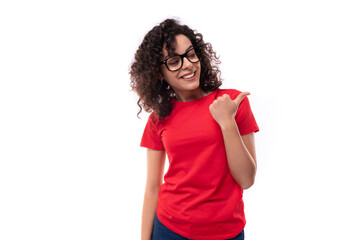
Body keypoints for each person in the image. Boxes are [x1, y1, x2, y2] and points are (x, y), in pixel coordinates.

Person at [130, 18, 259, 240]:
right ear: (159, 73)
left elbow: (246, 179)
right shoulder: (159, 118)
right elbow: (152, 188)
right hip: (170, 230)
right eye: (173, 61)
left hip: (226, 233)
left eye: (191, 54)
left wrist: (227, 122)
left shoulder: (232, 102)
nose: (188, 64)